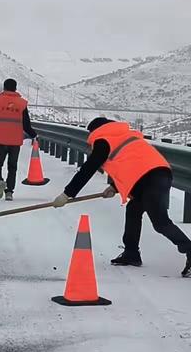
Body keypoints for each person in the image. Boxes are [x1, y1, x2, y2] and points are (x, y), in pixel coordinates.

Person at [52, 117, 191, 278]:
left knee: (160, 222)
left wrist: (67, 194)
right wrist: (114, 187)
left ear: (95, 131)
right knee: (133, 209)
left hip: (152, 179)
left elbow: (89, 168)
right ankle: (131, 253)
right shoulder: (127, 136)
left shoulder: (103, 141)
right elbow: (133, 164)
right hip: (157, 175)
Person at [0, 78, 37, 201]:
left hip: (1, 139)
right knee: (12, 167)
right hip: (15, 141)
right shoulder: (22, 103)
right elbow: (26, 124)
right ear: (15, 88)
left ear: (4, 87)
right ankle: (9, 192)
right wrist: (33, 134)